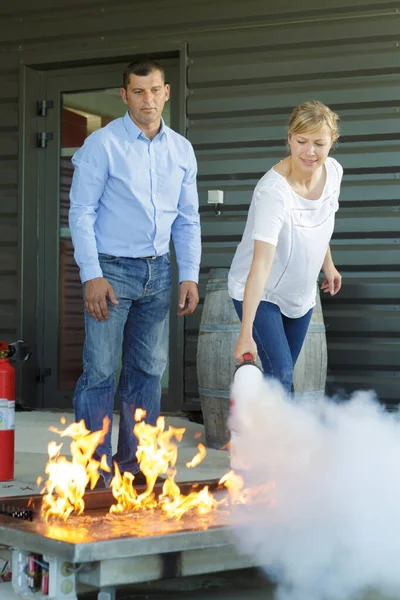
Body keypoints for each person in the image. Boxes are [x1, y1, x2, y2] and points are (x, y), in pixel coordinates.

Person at [69, 59, 201, 485]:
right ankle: (94, 473)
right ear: (124, 95)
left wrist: (189, 275)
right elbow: (81, 213)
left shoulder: (181, 149)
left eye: (155, 90)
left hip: (158, 272)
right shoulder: (101, 145)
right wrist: (91, 274)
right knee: (101, 370)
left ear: (166, 92)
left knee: (148, 371)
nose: (148, 100)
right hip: (110, 271)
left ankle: (135, 470)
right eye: (138, 92)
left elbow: (188, 219)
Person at [228, 100, 342, 392]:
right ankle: (274, 438)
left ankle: (255, 435)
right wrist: (245, 333)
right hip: (261, 292)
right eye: (302, 141)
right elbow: (261, 263)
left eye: (319, 143)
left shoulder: (334, 173)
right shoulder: (273, 192)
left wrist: (327, 263)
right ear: (289, 138)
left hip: (300, 294)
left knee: (282, 378)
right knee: (280, 375)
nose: (310, 151)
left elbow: (322, 219)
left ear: (332, 142)